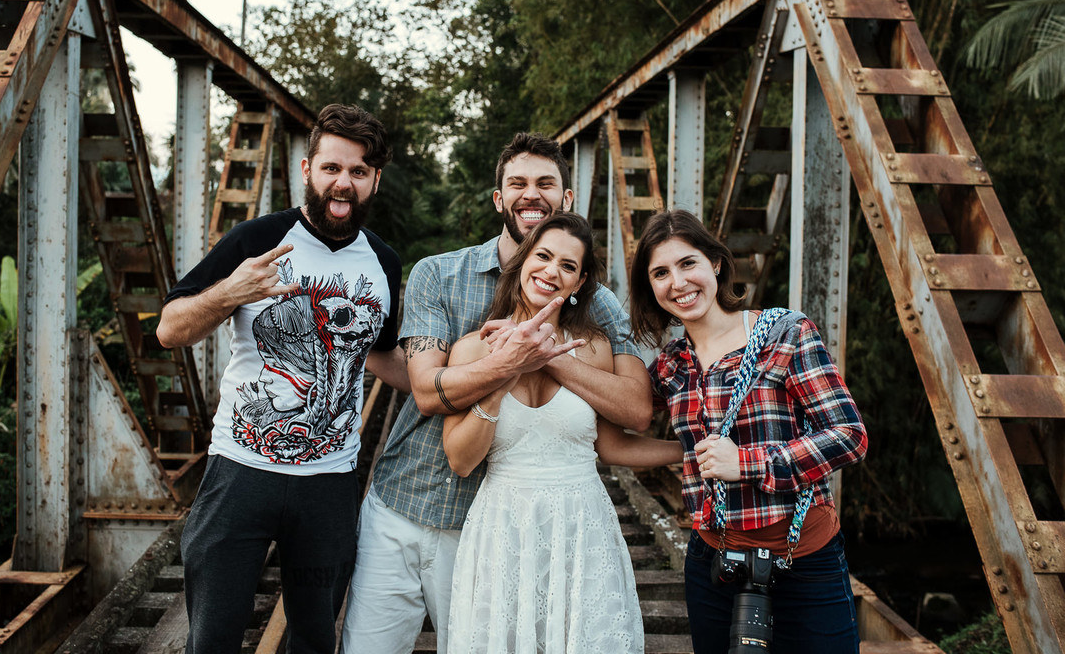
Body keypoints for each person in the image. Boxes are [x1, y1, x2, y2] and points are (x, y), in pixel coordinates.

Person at [341, 133, 652, 654]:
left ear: (566, 199)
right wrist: (507, 364)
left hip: (489, 528)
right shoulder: (439, 274)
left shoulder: (593, 301)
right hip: (404, 500)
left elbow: (634, 410)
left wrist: (545, 355)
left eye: (545, 183)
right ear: (498, 197)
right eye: (518, 183)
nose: (531, 194)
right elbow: (427, 392)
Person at [157, 104, 408, 654]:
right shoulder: (257, 239)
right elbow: (170, 329)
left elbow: (384, 356)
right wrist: (231, 291)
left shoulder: (383, 262)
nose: (343, 183)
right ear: (307, 169)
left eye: (359, 171)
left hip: (329, 485)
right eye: (332, 168)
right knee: (213, 638)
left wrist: (473, 375)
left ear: (375, 180)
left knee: (315, 637)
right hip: (240, 474)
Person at [628, 208, 868, 654]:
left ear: (716, 263)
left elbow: (849, 435)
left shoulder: (785, 334)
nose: (677, 283)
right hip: (713, 562)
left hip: (803, 557)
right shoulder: (670, 365)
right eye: (660, 273)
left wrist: (748, 463)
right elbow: (618, 410)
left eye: (687, 263)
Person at [441, 212, 680, 653]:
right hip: (503, 526)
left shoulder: (594, 348)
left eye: (568, 266)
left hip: (582, 526)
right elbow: (460, 460)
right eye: (543, 256)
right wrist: (507, 370)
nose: (551, 271)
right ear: (523, 261)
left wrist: (688, 451)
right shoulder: (473, 348)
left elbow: (614, 443)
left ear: (579, 282)